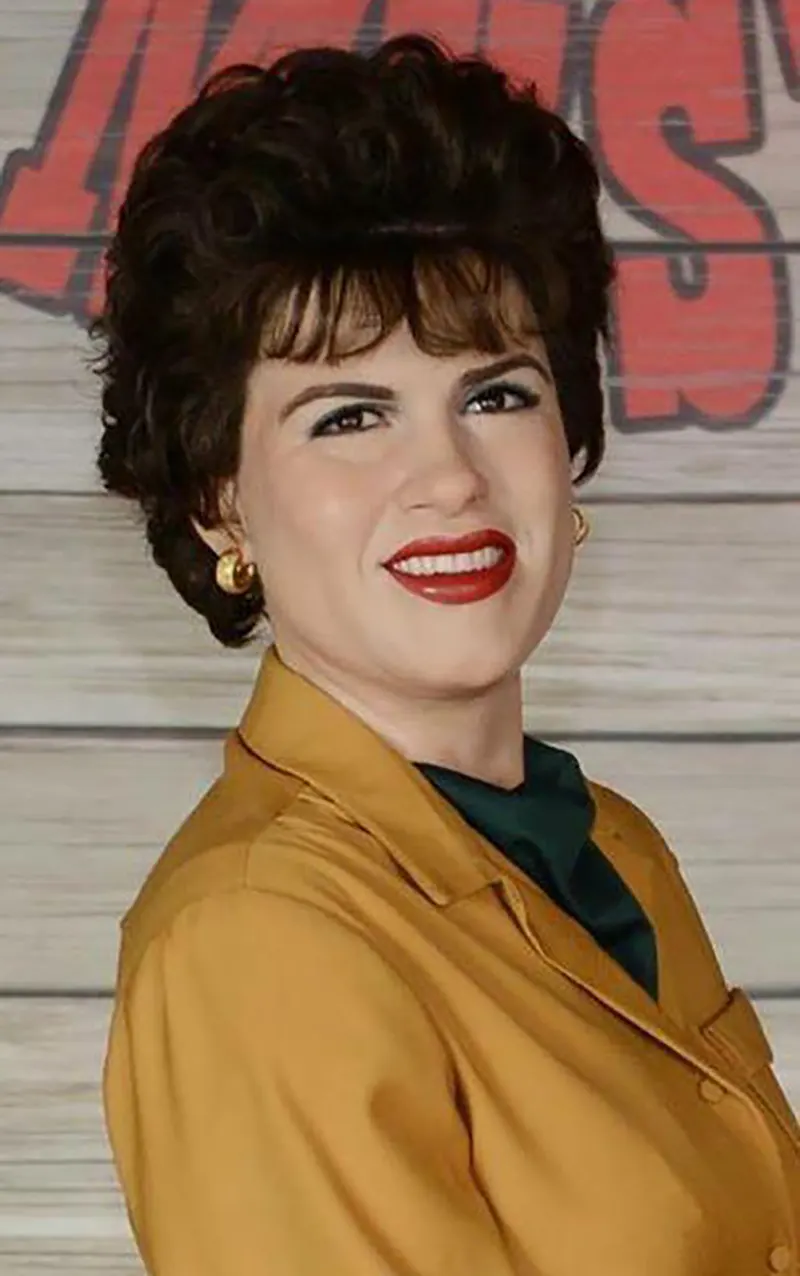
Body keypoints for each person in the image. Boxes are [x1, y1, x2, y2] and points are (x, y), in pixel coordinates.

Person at [95, 34, 800, 1276]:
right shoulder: (257, 937)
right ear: (219, 505)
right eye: (347, 416)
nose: (448, 476)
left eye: (494, 394)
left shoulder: (604, 845)